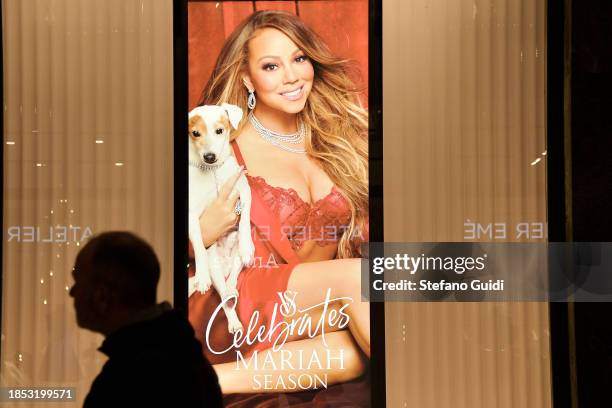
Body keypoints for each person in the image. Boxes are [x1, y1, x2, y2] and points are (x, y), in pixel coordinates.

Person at [188, 10, 370, 402]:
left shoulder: (342, 138)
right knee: (365, 279)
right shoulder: (218, 148)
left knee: (351, 355)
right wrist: (203, 231)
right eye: (271, 65)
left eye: (299, 58)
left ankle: (202, 381)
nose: (292, 75)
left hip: (315, 311)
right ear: (247, 79)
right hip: (237, 305)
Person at [70, 231, 223, 407]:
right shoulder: (186, 359)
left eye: (78, 281)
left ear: (102, 295)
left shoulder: (127, 379)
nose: (72, 292)